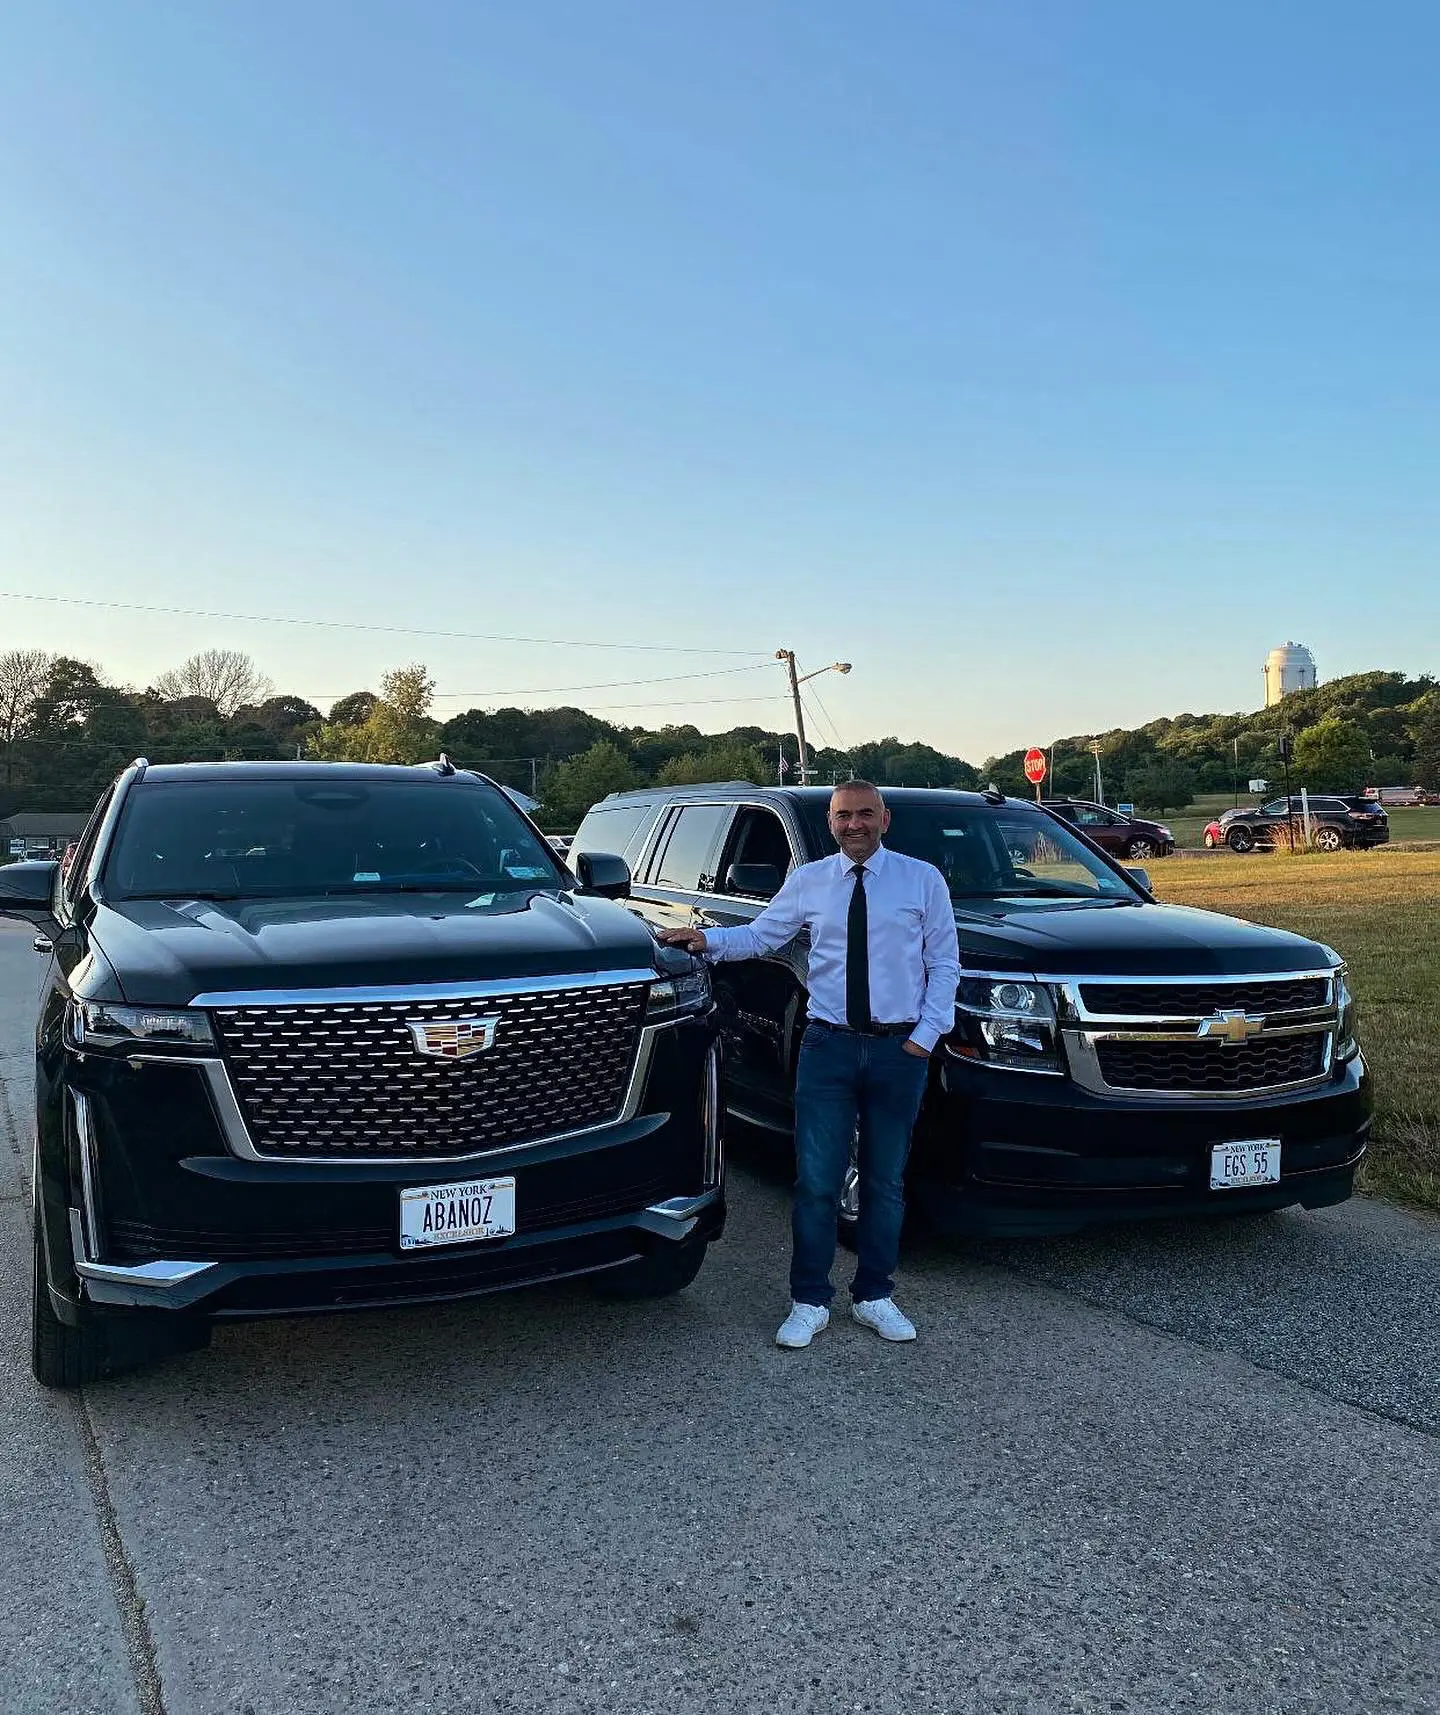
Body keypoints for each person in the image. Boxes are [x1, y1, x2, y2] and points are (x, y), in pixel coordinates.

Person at [660, 780, 959, 1349]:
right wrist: (707, 939)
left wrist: (924, 1037)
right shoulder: (811, 881)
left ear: (884, 819)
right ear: (831, 822)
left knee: (884, 1181)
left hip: (900, 1051)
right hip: (829, 1049)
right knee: (817, 1181)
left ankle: (875, 1294)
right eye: (844, 816)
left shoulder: (922, 881)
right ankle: (809, 1300)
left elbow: (944, 963)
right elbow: (762, 936)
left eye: (865, 814)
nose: (855, 825)